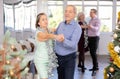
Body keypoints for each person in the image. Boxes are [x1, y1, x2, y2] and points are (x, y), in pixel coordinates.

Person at [54, 5, 82, 79]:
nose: (67, 13)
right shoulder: (61, 24)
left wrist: (63, 40)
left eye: (70, 12)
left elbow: (73, 44)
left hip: (69, 59)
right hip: (58, 57)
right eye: (66, 11)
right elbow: (55, 35)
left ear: (74, 14)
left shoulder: (77, 27)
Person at [34, 13, 59, 79]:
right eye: (43, 20)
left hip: (48, 60)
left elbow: (58, 29)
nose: (45, 21)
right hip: (40, 61)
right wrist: (55, 36)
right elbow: (46, 36)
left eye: (46, 19)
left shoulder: (48, 30)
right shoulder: (38, 33)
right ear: (38, 23)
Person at [87, 9, 101, 76]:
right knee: (92, 53)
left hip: (95, 38)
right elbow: (89, 29)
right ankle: (96, 66)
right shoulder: (90, 20)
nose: (90, 13)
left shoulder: (97, 20)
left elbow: (96, 29)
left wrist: (90, 26)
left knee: (93, 52)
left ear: (95, 13)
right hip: (90, 38)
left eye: (91, 12)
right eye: (90, 12)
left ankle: (95, 68)